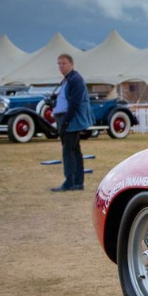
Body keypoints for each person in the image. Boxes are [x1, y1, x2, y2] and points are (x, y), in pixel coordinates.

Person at [51, 54, 93, 192]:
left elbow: (74, 103)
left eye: (64, 63)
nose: (61, 66)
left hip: (71, 120)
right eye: (59, 64)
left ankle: (70, 182)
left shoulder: (75, 79)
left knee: (68, 151)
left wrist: (65, 122)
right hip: (67, 119)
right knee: (74, 150)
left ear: (71, 64)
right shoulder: (68, 79)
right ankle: (77, 182)